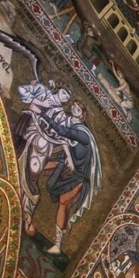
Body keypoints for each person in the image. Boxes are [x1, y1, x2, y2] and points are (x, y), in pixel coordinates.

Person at [39, 101, 103, 254]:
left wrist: (42, 115)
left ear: (83, 115)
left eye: (78, 108)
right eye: (73, 106)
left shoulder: (83, 134)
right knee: (40, 165)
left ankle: (58, 245)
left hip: (80, 177)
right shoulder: (73, 126)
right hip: (67, 166)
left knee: (64, 202)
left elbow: (63, 132)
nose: (74, 108)